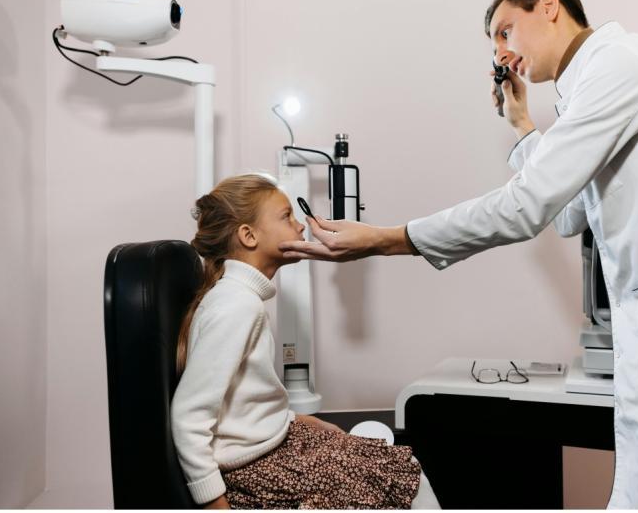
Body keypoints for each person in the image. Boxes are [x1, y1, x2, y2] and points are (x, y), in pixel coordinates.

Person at [279, 0, 638, 508]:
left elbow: (528, 206)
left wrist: (387, 239)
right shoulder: (590, 90)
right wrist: (523, 125)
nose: (502, 52)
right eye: (493, 46)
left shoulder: (622, 64)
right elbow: (569, 214)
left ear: (550, 7)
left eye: (505, 31)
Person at [170, 173, 438, 509]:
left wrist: (295, 419)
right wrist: (214, 503)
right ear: (249, 235)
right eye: (286, 216)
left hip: (272, 444)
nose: (299, 227)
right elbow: (189, 416)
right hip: (256, 467)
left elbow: (242, 403)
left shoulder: (238, 299)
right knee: (399, 480)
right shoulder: (236, 305)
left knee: (391, 465)